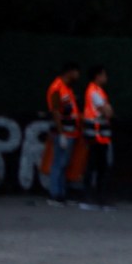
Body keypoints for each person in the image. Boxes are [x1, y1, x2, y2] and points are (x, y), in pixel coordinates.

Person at [43, 61, 81, 206]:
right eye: (76, 72)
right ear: (70, 72)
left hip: (69, 132)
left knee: (63, 163)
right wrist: (61, 133)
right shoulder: (56, 88)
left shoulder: (66, 88)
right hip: (62, 133)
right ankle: (54, 195)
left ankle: (60, 193)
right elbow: (55, 111)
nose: (78, 75)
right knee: (58, 163)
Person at [78, 64, 114, 209]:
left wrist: (108, 110)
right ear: (97, 76)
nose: (106, 78)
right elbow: (107, 111)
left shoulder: (98, 91)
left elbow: (108, 110)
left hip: (100, 136)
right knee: (94, 167)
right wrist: (108, 109)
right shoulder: (94, 91)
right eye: (104, 75)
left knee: (99, 167)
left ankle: (98, 197)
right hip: (96, 136)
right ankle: (89, 198)